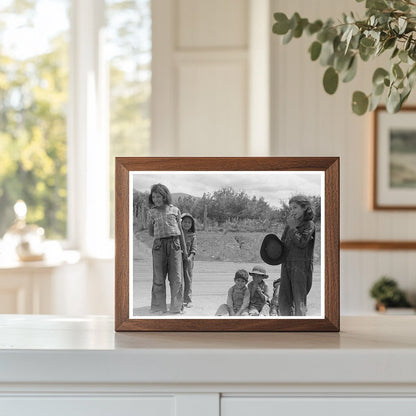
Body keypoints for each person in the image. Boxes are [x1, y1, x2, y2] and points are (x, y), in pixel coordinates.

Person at [147, 183, 188, 315]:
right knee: (158, 277)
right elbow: (151, 232)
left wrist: (185, 251)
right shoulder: (151, 212)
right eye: (154, 197)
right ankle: (159, 307)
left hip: (174, 245)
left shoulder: (175, 210)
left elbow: (180, 231)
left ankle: (176, 307)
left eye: (159, 196)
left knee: (176, 277)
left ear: (165, 196)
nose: (156, 199)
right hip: (158, 246)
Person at [278, 195, 315, 316]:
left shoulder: (309, 225)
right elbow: (282, 243)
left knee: (299, 300)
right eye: (291, 208)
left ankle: (301, 326)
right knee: (283, 299)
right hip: (286, 265)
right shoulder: (290, 225)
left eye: (295, 207)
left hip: (301, 267)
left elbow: (302, 242)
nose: (292, 211)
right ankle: (286, 326)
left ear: (304, 208)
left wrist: (293, 227)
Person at [181, 213, 197, 308]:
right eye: (185, 222)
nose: (187, 224)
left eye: (189, 222)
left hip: (188, 261)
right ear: (180, 222)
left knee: (188, 279)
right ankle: (178, 299)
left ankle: (188, 300)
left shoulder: (193, 235)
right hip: (178, 260)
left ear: (192, 224)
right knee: (178, 280)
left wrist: (189, 258)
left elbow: (194, 249)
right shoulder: (177, 234)